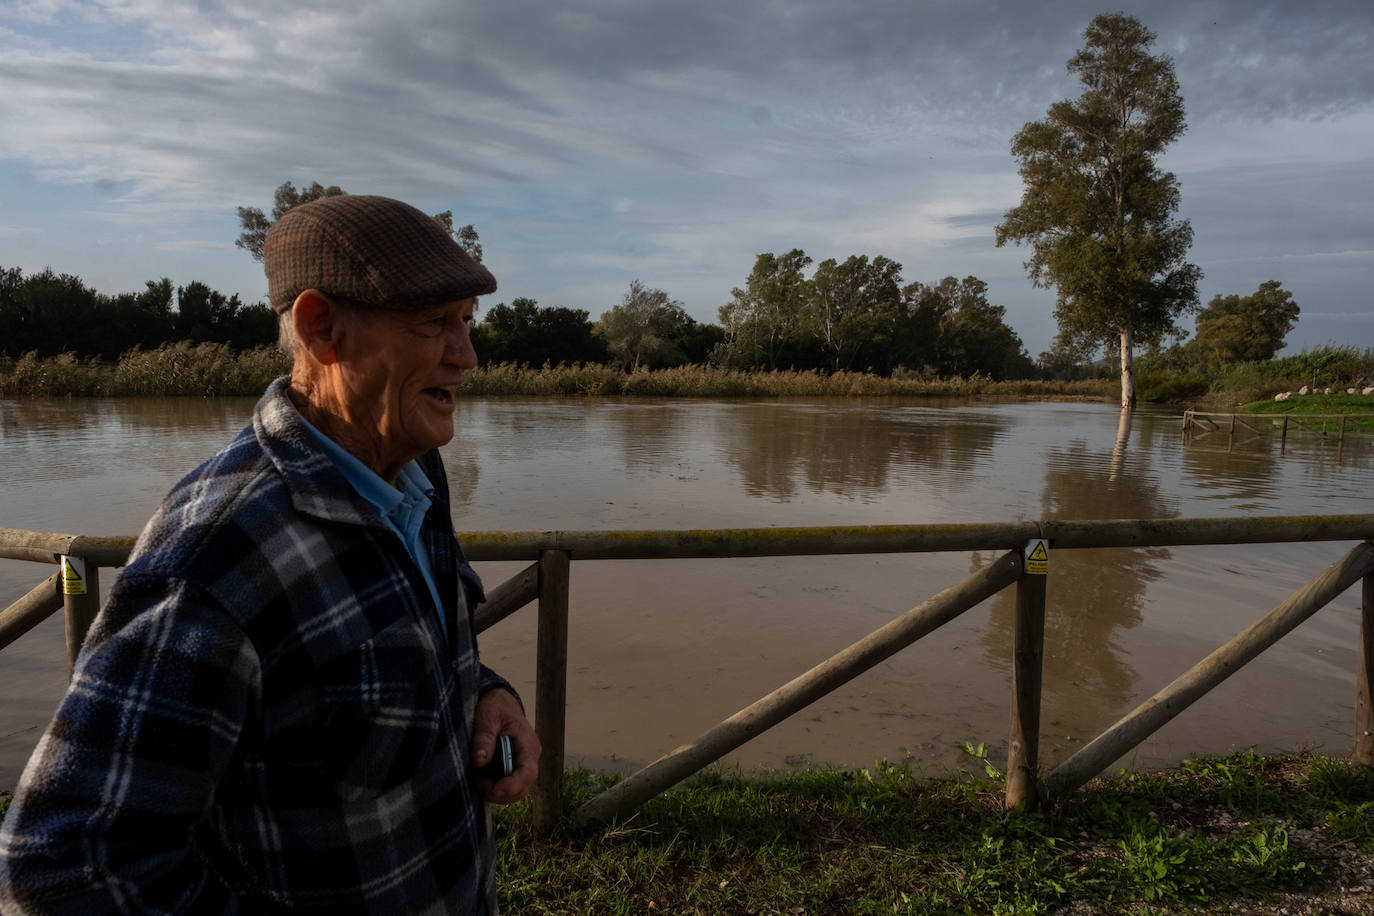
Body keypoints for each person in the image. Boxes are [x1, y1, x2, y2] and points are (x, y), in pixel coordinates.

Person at [0, 195, 539, 913]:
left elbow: (397, 640)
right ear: (321, 328)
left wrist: (488, 691)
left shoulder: (413, 470)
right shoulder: (215, 558)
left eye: (467, 322)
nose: (467, 356)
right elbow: (62, 867)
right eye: (434, 323)